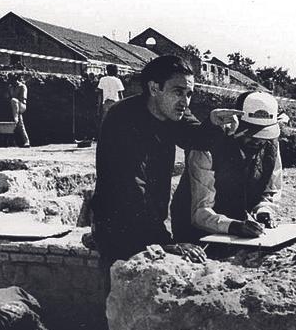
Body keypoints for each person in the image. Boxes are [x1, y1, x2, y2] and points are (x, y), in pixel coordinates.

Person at [90, 54, 242, 281]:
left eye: (189, 94)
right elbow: (131, 188)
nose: (185, 101)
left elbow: (196, 138)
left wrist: (213, 124)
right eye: (178, 92)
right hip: (117, 225)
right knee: (121, 298)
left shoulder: (174, 113)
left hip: (149, 220)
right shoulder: (122, 119)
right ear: (154, 88)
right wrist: (164, 241)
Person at [171, 90, 286, 242]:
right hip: (196, 234)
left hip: (241, 233)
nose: (258, 141)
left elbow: (271, 190)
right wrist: (233, 226)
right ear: (237, 123)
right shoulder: (207, 146)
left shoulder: (270, 145)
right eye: (250, 134)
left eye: (263, 136)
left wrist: (264, 211)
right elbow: (200, 212)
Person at [8, 76, 30, 147]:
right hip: (14, 107)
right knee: (20, 124)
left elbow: (23, 99)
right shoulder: (10, 87)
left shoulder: (22, 87)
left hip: (21, 106)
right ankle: (25, 141)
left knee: (14, 100)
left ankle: (16, 118)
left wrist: (16, 104)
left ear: (16, 80)